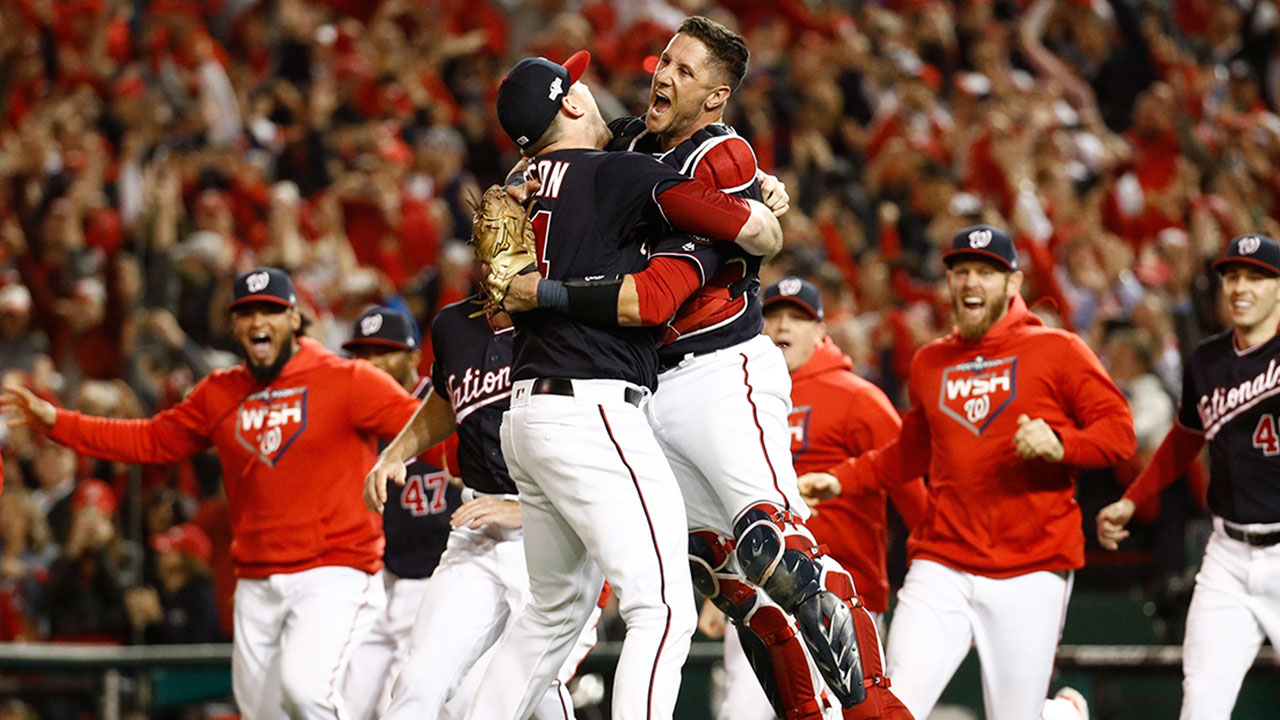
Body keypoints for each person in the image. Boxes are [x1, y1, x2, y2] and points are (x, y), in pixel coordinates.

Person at [505, 18, 873, 716]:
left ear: (717, 95)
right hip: (641, 388)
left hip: (716, 371)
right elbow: (574, 149)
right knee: (723, 577)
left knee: (774, 553)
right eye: (663, 62)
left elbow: (670, 285)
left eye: (684, 70)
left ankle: (879, 710)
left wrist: (762, 207)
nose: (663, 77)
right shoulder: (632, 140)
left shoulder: (722, 157)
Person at [456, 48, 782, 720]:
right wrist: (755, 196)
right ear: (573, 104)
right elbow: (755, 232)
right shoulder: (624, 173)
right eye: (579, 84)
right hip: (592, 409)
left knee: (553, 614)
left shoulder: (517, 187)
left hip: (526, 414)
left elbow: (497, 302)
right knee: (662, 608)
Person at [3, 267, 421, 720]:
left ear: (295, 320)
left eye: (270, 311)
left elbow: (429, 427)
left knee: (306, 693)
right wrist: (59, 423)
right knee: (262, 712)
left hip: (334, 572)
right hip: (257, 580)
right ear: (233, 325)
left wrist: (492, 480)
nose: (258, 321)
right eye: (246, 313)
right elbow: (150, 440)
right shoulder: (220, 393)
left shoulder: (349, 380)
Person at [801, 226, 1134, 720]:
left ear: (1013, 283)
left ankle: (1058, 714)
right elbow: (909, 452)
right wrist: (841, 480)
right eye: (961, 272)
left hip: (1032, 563)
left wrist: (1063, 444)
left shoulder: (1059, 350)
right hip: (944, 562)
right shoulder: (930, 361)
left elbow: (1120, 434)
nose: (971, 282)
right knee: (889, 708)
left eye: (985, 271)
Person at [361, 296, 598, 719]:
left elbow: (607, 433)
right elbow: (444, 396)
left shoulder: (573, 318)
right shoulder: (454, 324)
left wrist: (529, 509)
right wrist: (396, 452)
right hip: (479, 532)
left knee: (533, 687)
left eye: (510, 229)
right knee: (418, 682)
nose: (498, 244)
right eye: (488, 231)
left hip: (561, 533)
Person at [1097, 234, 1280, 720]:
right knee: (1201, 704)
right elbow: (1184, 438)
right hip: (1228, 556)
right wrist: (1133, 499)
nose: (1241, 287)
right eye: (1233, 276)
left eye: (1256, 277)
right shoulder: (1206, 360)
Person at [339, 306, 461, 720]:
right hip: (379, 578)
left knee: (417, 703)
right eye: (363, 353)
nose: (371, 362)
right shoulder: (352, 416)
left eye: (384, 351)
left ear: (413, 357)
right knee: (344, 703)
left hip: (441, 578)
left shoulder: (446, 403)